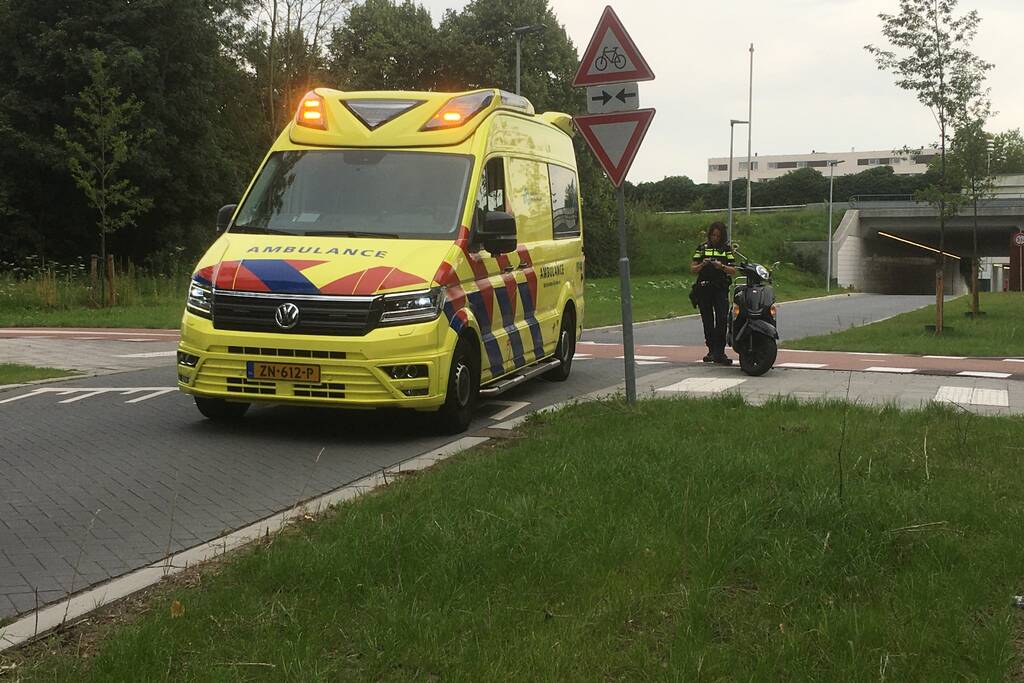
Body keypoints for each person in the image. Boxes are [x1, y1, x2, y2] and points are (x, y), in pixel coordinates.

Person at [690, 221, 737, 365]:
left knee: (722, 318)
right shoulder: (702, 248)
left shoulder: (726, 250)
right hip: (704, 287)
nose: (715, 238)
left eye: (718, 235)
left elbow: (733, 270)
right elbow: (692, 268)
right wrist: (702, 264)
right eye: (713, 235)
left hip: (720, 288)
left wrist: (721, 266)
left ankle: (720, 351)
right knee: (707, 320)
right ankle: (711, 350)